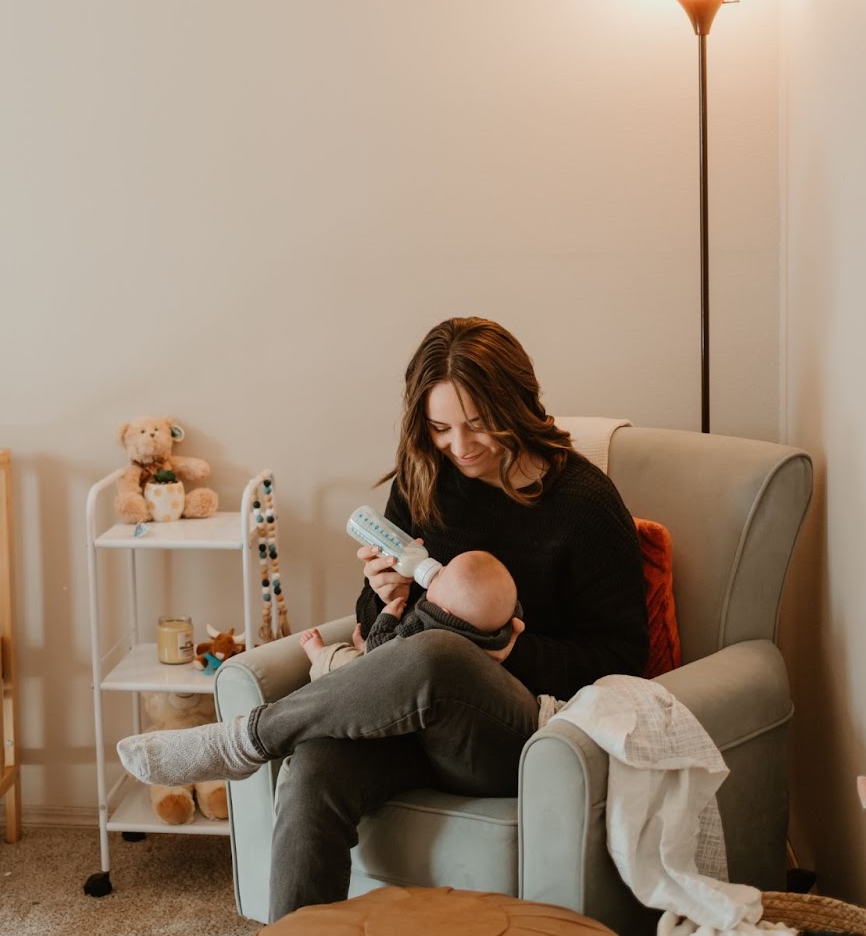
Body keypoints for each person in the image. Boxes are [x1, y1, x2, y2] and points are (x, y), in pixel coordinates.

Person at [117, 316, 648, 919]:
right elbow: (373, 623)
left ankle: (247, 738)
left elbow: (627, 663)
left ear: (519, 404)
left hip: (516, 733)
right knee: (315, 766)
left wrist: (509, 652)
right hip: (411, 718)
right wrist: (382, 593)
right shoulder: (427, 478)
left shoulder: (584, 504)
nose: (460, 445)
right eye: (441, 427)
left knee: (441, 652)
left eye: (478, 424)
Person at [298, 549, 520, 680]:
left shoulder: (428, 627)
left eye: (442, 574)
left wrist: (387, 616)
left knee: (349, 667)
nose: (438, 569)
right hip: (410, 679)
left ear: (444, 613)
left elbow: (380, 652)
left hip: (390, 678)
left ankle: (321, 656)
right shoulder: (490, 631)